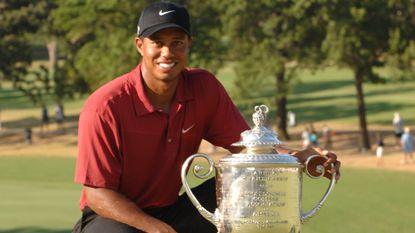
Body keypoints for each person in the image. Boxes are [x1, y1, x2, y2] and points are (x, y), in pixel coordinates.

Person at [72, 2, 341, 233]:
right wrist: (153, 228)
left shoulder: (204, 87)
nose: (167, 53)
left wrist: (300, 156)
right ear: (140, 46)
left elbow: (250, 149)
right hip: (110, 219)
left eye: (176, 42)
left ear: (189, 44)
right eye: (158, 42)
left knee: (250, 183)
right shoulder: (104, 106)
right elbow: (98, 195)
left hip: (171, 209)